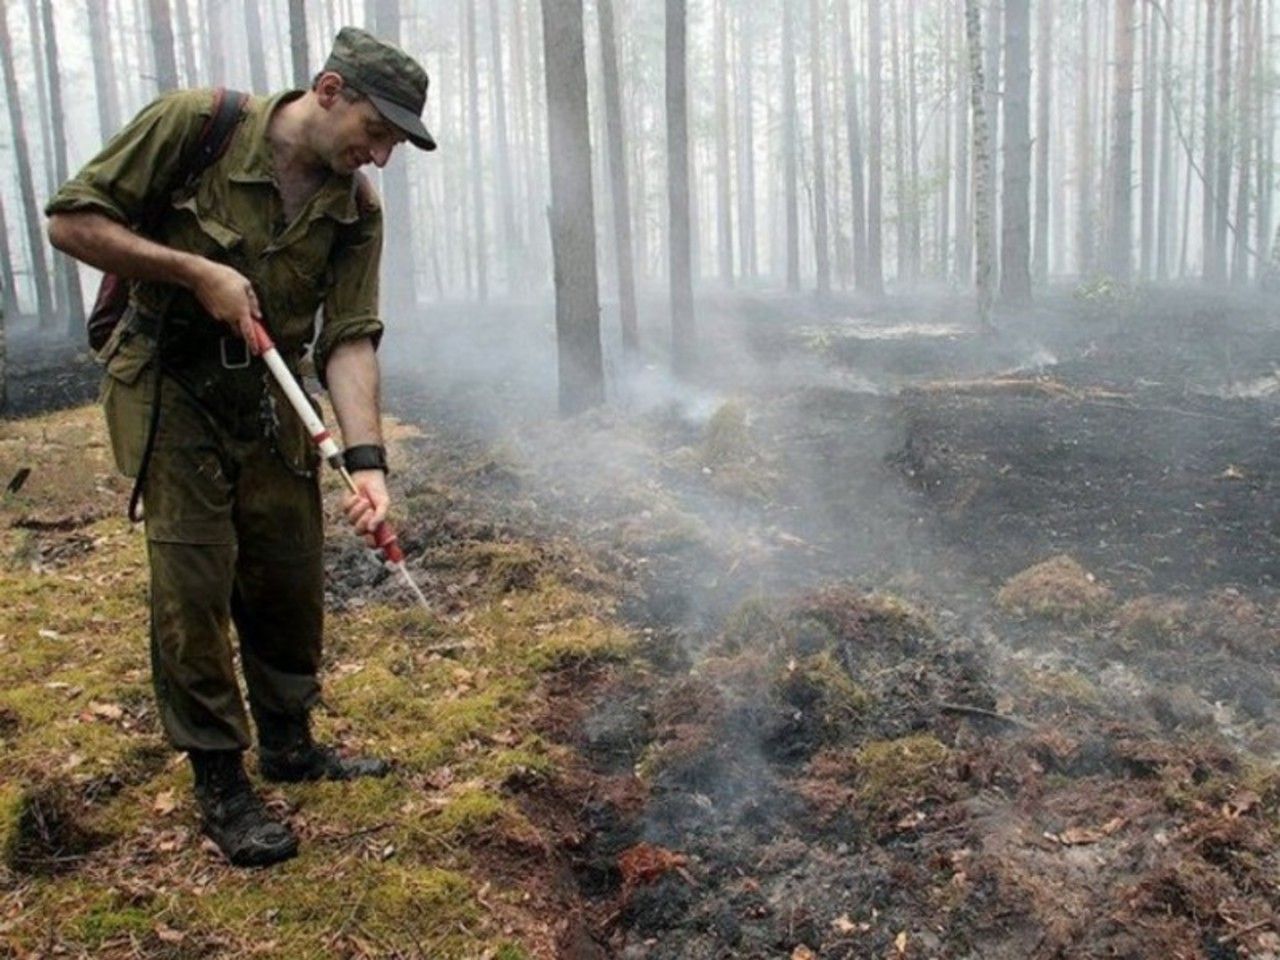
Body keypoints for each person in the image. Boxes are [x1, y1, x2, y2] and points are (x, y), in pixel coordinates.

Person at [45, 27, 436, 867]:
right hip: (170, 379)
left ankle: (290, 744)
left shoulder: (357, 208)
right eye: (378, 132)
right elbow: (71, 220)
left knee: (287, 566)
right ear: (329, 91)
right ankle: (221, 782)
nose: (381, 157)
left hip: (270, 391)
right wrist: (194, 273)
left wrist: (368, 468)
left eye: (395, 144)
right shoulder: (197, 124)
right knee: (194, 577)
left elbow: (350, 340)